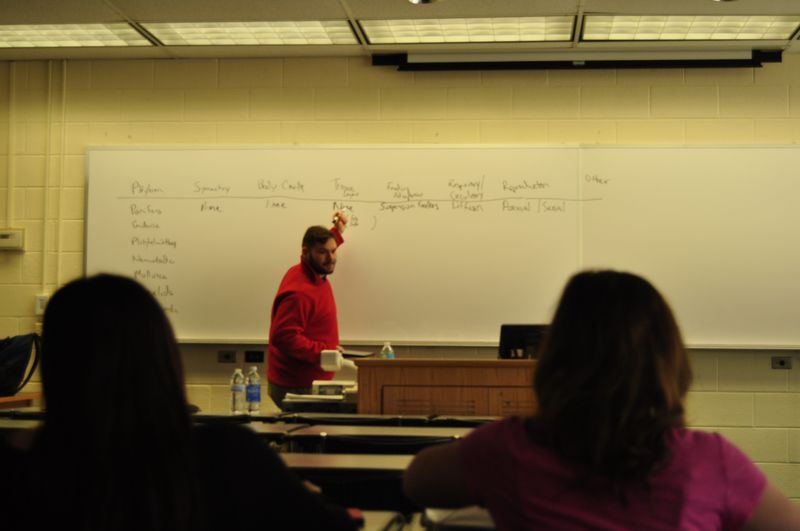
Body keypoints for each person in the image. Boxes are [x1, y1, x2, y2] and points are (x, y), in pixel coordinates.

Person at [404, 270, 800, 531]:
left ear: (556, 357)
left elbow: (416, 482)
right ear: (668, 361)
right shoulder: (711, 462)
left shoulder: (506, 451)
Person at [12, 274, 356, 531]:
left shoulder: (21, 470)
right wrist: (306, 498)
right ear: (163, 355)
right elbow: (342, 523)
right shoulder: (227, 455)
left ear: (56, 363)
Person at [268, 210, 349, 408]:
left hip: (305, 380)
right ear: (305, 252)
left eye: (333, 250)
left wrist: (337, 231)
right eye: (323, 252)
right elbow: (284, 337)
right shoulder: (300, 292)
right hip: (297, 386)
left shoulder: (312, 270)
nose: (331, 258)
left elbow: (325, 245)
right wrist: (324, 352)